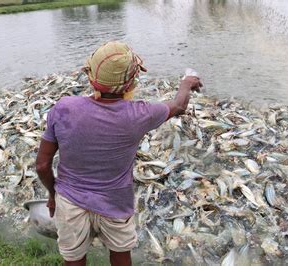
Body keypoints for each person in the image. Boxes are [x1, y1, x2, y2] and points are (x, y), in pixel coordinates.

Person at [35, 41, 202, 266]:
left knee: (74, 259)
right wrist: (186, 83)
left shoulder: (64, 107)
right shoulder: (139, 114)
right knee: (121, 255)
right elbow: (179, 105)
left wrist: (53, 195)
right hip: (115, 204)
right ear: (131, 82)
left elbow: (42, 166)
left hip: (69, 201)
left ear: (91, 75)